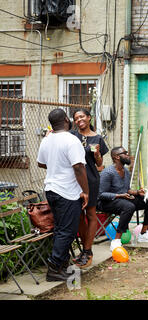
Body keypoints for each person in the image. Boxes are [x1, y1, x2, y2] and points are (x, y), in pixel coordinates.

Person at [37, 108, 89, 282]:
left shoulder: (47, 140)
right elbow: (79, 167)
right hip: (66, 192)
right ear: (67, 120)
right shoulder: (71, 140)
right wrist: (86, 191)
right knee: (67, 230)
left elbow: (40, 163)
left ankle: (60, 266)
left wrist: (56, 165)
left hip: (51, 189)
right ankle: (54, 267)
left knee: (60, 228)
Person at [97, 146, 148, 251]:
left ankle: (143, 233)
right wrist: (120, 195)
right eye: (125, 153)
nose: (127, 155)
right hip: (106, 202)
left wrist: (137, 192)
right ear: (116, 157)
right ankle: (116, 241)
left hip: (122, 199)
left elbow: (127, 190)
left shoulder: (125, 171)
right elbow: (101, 194)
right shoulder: (107, 173)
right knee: (129, 206)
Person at [70, 108, 109, 268]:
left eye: (82, 116)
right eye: (76, 118)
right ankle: (85, 250)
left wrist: (97, 155)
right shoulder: (72, 136)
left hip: (91, 179)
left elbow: (99, 165)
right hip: (73, 180)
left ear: (88, 118)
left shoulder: (98, 138)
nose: (79, 120)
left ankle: (88, 250)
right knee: (79, 214)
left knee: (91, 213)